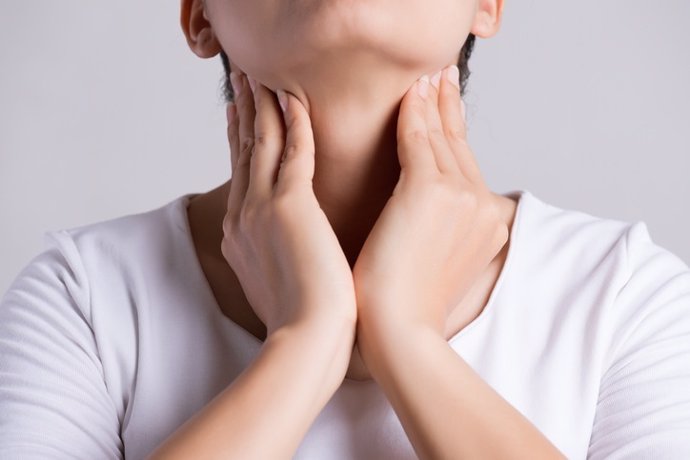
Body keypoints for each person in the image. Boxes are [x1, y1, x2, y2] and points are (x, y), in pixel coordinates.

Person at [1, 0, 689, 458]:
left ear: (488, 3)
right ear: (199, 15)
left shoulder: (630, 299)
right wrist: (305, 344)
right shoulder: (81, 300)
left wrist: (407, 340)